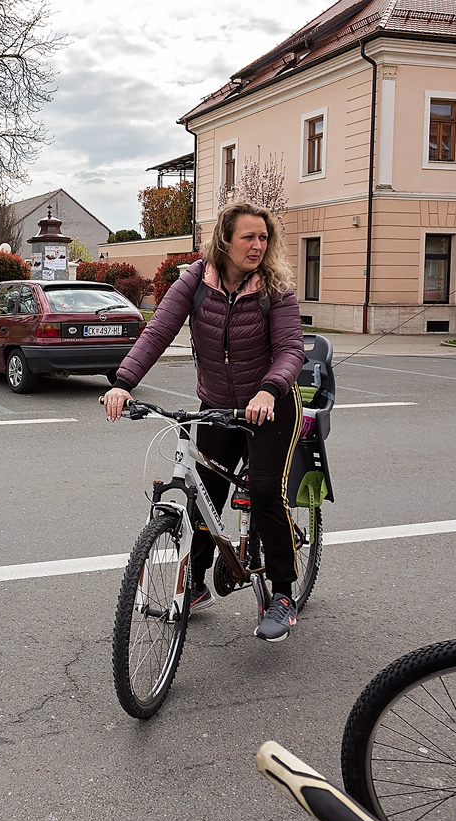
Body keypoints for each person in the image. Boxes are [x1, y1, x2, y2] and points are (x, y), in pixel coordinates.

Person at [103, 200, 306, 642]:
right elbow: (158, 331)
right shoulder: (196, 280)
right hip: (216, 406)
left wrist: (269, 390)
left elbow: (292, 348)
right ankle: (194, 585)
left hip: (270, 405)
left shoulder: (275, 287)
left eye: (264, 237)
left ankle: (283, 594)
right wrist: (123, 382)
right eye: (248, 237)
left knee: (266, 492)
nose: (257, 245)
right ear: (225, 240)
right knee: (204, 496)